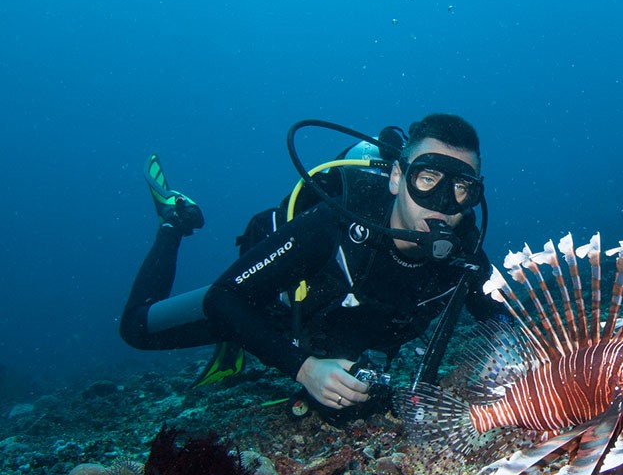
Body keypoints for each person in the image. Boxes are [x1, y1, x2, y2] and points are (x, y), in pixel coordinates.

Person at [120, 114, 503, 411]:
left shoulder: (464, 256)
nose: (443, 203)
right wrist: (305, 369)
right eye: (428, 177)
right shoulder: (337, 221)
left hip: (336, 330)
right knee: (137, 328)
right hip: (272, 308)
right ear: (397, 178)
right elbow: (222, 297)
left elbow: (503, 323)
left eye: (461, 187)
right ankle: (174, 219)